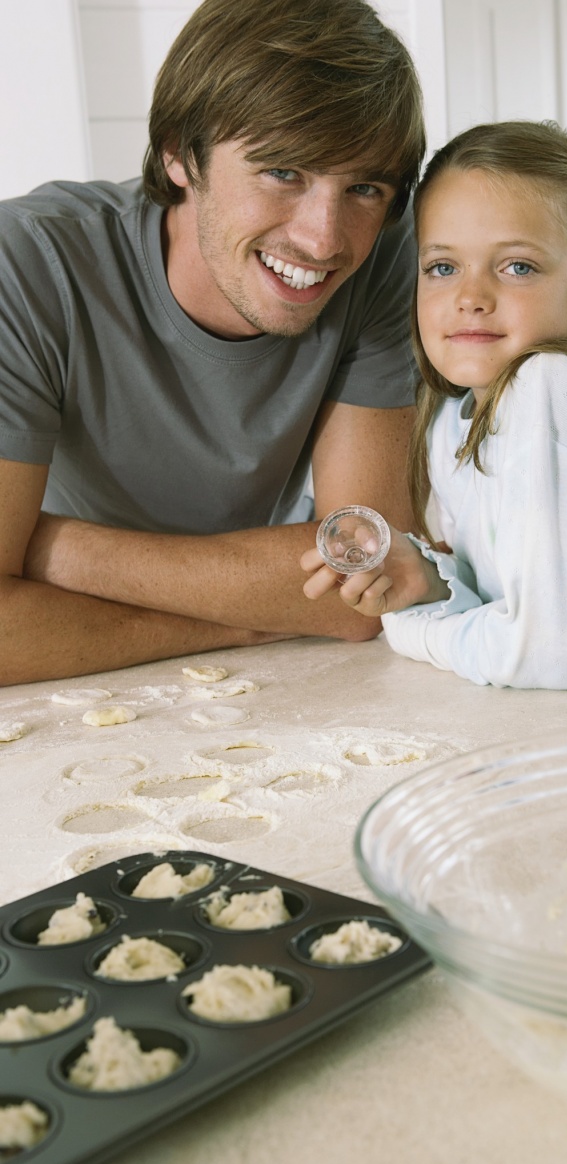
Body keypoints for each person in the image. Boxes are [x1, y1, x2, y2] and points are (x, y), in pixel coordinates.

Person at [0, 0, 425, 685]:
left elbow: (363, 586)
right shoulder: (23, 266)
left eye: (364, 187)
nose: (324, 238)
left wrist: (51, 551)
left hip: (102, 631)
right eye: (283, 172)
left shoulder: (384, 254)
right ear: (178, 152)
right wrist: (254, 615)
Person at [302, 121, 567, 689]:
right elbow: (503, 596)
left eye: (517, 267)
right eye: (442, 267)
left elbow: (550, 655)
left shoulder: (557, 386)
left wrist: (411, 626)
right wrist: (432, 581)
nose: (470, 298)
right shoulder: (450, 415)